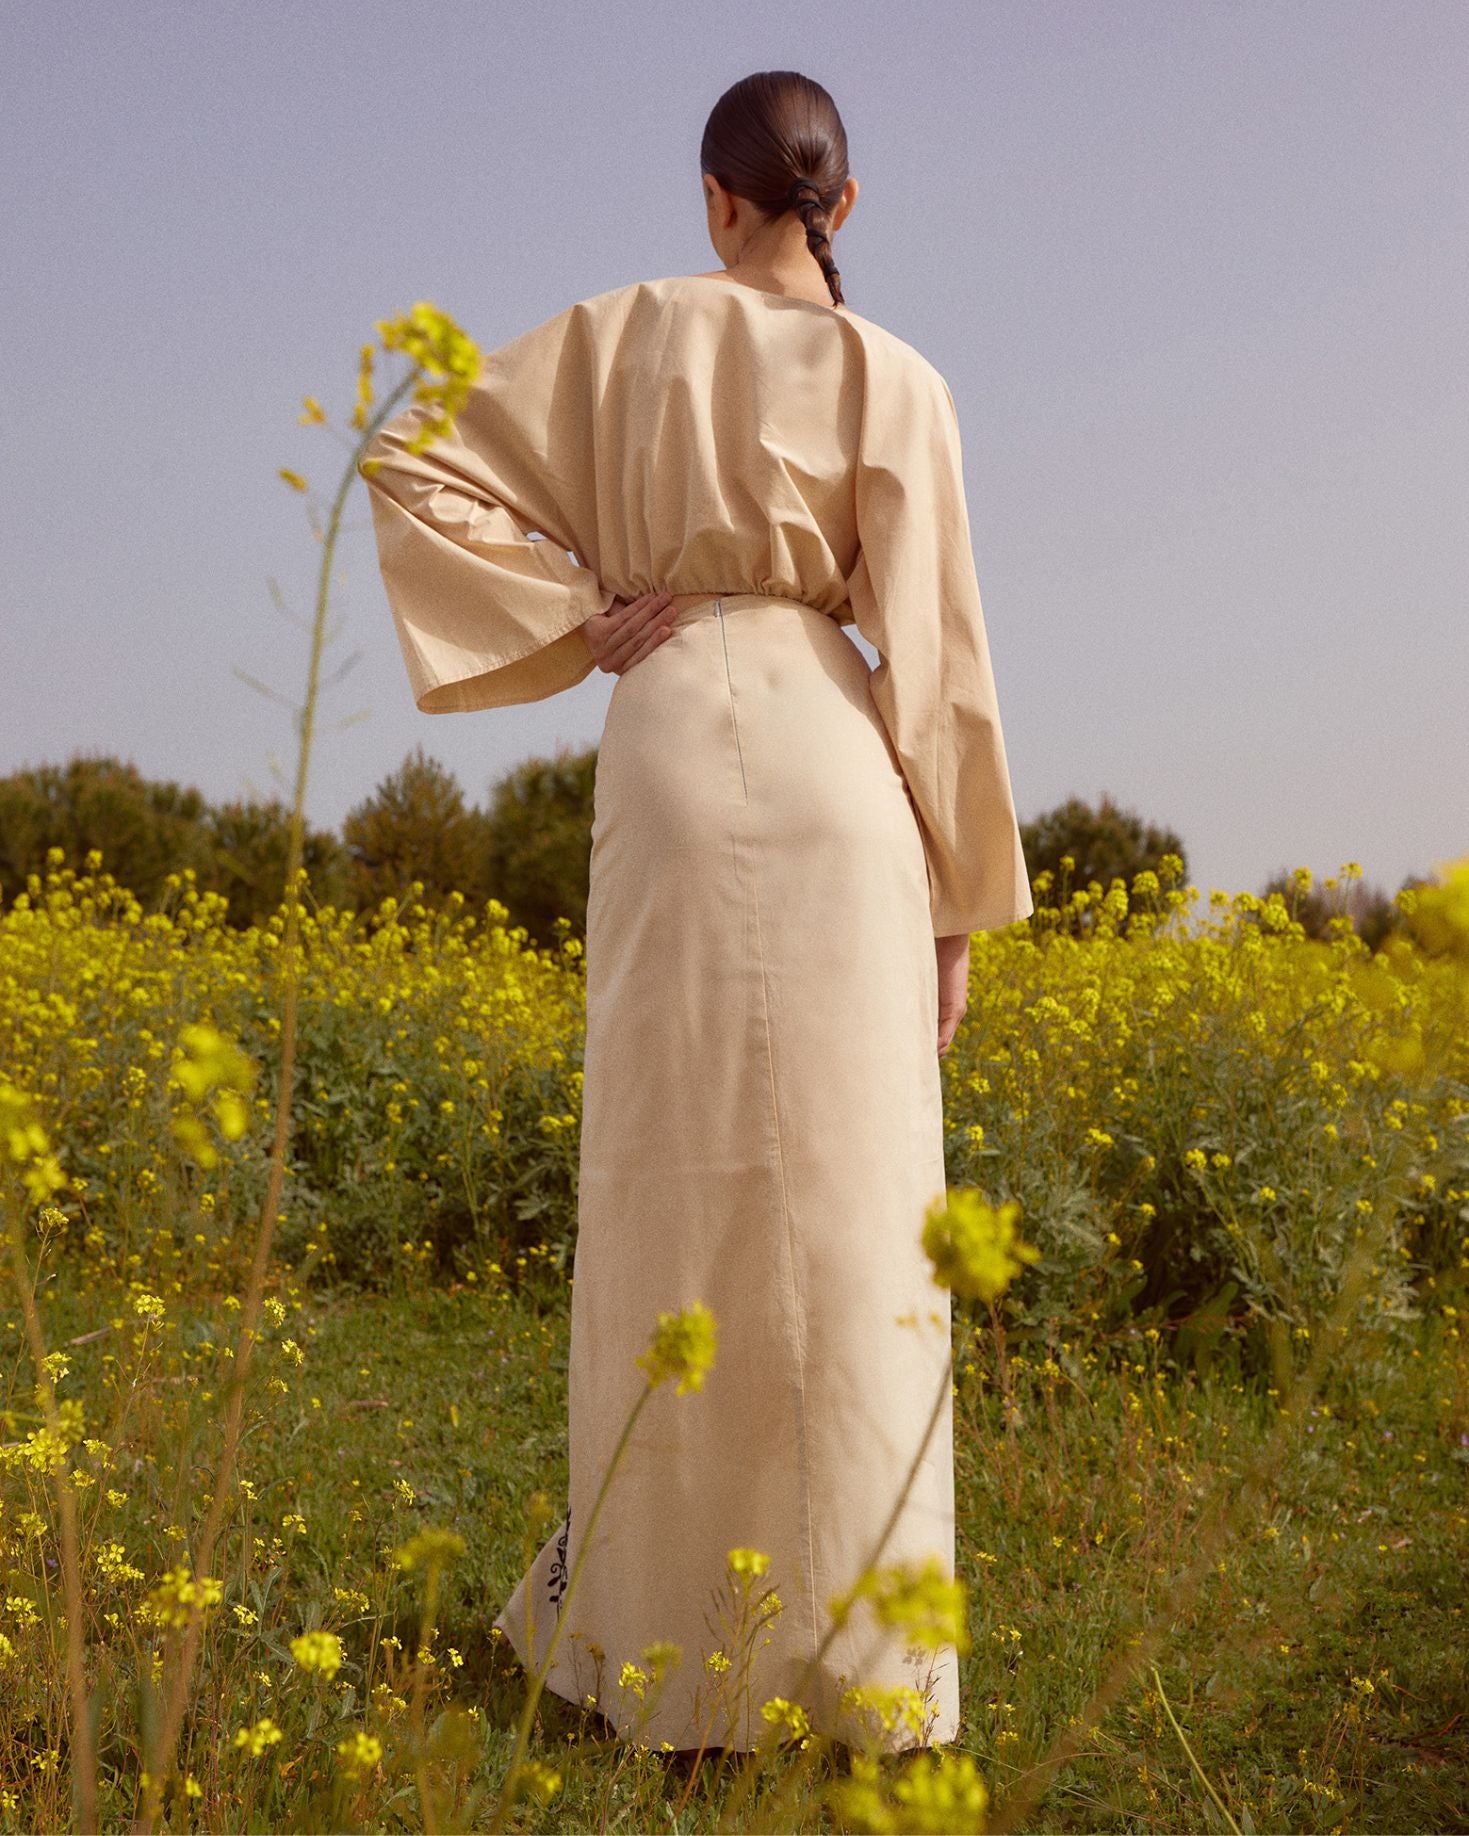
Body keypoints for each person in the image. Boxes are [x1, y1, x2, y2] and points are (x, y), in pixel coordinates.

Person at [358, 68, 1033, 1757]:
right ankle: (864, 1669)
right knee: (856, 1203)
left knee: (670, 1184)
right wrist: (956, 908)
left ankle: (658, 1643)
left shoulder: (623, 331)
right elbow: (936, 660)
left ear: (715, 199)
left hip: (668, 731)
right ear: (843, 203)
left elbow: (405, 454)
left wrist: (576, 613)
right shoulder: (897, 376)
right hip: (835, 757)